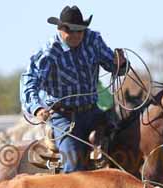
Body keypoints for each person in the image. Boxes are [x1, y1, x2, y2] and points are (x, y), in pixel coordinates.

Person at [20, 5, 127, 173]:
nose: (77, 35)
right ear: (60, 29)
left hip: (93, 112)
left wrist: (119, 64)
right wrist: (38, 108)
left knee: (125, 140)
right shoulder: (49, 52)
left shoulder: (92, 40)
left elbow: (112, 66)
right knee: (74, 166)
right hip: (64, 118)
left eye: (80, 31)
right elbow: (29, 81)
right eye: (72, 31)